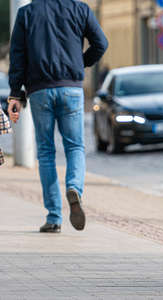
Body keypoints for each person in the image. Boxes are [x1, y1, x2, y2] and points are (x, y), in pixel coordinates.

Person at [7, 0, 108, 233]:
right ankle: (74, 188)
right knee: (75, 147)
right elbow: (101, 43)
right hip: (71, 88)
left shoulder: (26, 12)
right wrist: (78, 64)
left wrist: (15, 93)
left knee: (45, 151)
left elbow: (17, 55)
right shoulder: (79, 8)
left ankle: (54, 217)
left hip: (39, 90)